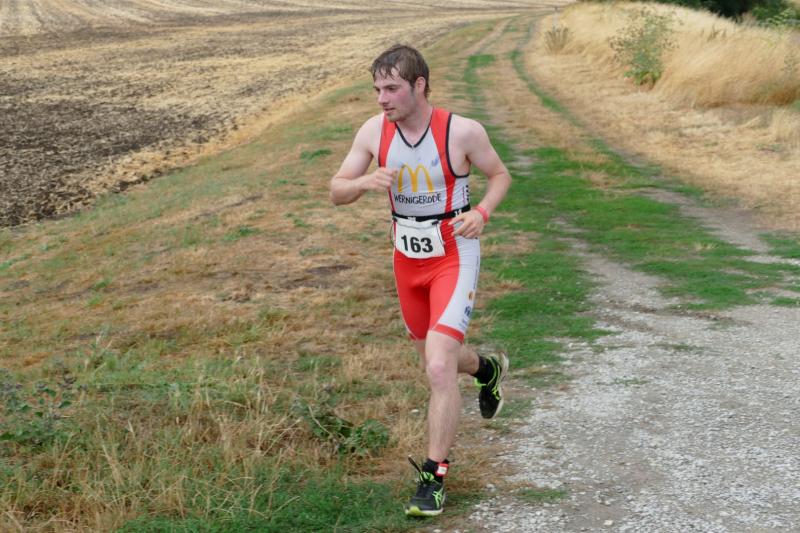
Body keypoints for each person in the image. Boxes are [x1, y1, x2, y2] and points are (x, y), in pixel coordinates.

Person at [329, 44, 512, 517]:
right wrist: (362, 183)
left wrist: (482, 212)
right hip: (407, 261)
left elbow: (500, 175)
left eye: (391, 88)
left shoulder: (461, 131)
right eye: (377, 89)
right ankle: (487, 370)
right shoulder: (373, 131)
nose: (381, 99)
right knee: (438, 360)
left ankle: (433, 478)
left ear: (420, 86)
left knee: (438, 368)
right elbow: (336, 190)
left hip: (454, 254)